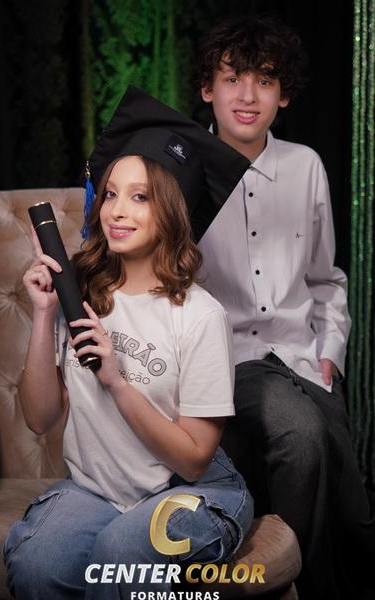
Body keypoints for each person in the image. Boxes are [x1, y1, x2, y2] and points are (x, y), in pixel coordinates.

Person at [3, 87, 253, 600]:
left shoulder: (201, 316)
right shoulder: (81, 295)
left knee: (122, 555)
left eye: (140, 197)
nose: (116, 210)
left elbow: (194, 461)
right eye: (112, 193)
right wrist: (45, 312)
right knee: (35, 566)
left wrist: (117, 382)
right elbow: (40, 419)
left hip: (189, 490)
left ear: (173, 211)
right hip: (98, 491)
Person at [196, 14, 374, 600]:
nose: (248, 96)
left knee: (354, 509)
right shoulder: (181, 171)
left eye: (265, 80)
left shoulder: (305, 166)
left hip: (301, 355)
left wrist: (330, 354)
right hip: (228, 359)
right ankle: (289, 585)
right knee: (301, 434)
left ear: (284, 94)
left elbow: (326, 279)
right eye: (232, 79)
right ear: (208, 89)